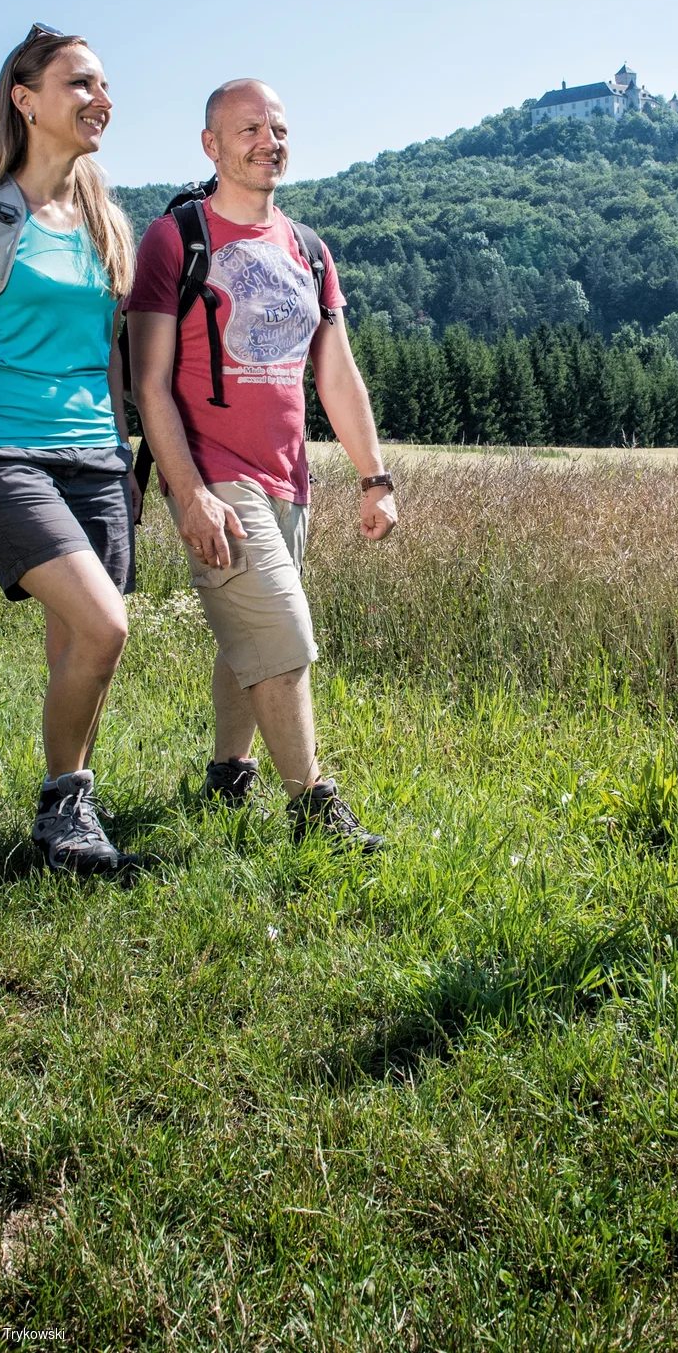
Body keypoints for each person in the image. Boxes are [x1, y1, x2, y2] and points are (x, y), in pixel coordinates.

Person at [126, 79, 396, 850]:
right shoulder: (176, 240)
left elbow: (336, 374)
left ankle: (227, 772)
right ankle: (315, 808)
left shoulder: (309, 251)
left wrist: (374, 476)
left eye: (277, 127)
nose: (266, 140)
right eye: (248, 128)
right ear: (211, 145)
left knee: (249, 634)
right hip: (212, 474)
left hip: (289, 479)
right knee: (282, 630)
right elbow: (150, 381)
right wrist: (189, 494)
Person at [0, 24, 141, 877]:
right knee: (105, 625)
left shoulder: (107, 223)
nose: (101, 99)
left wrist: (125, 457)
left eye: (105, 86)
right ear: (26, 97)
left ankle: (66, 815)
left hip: (96, 458)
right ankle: (65, 805)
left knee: (79, 642)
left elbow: (112, 358)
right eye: (81, 83)